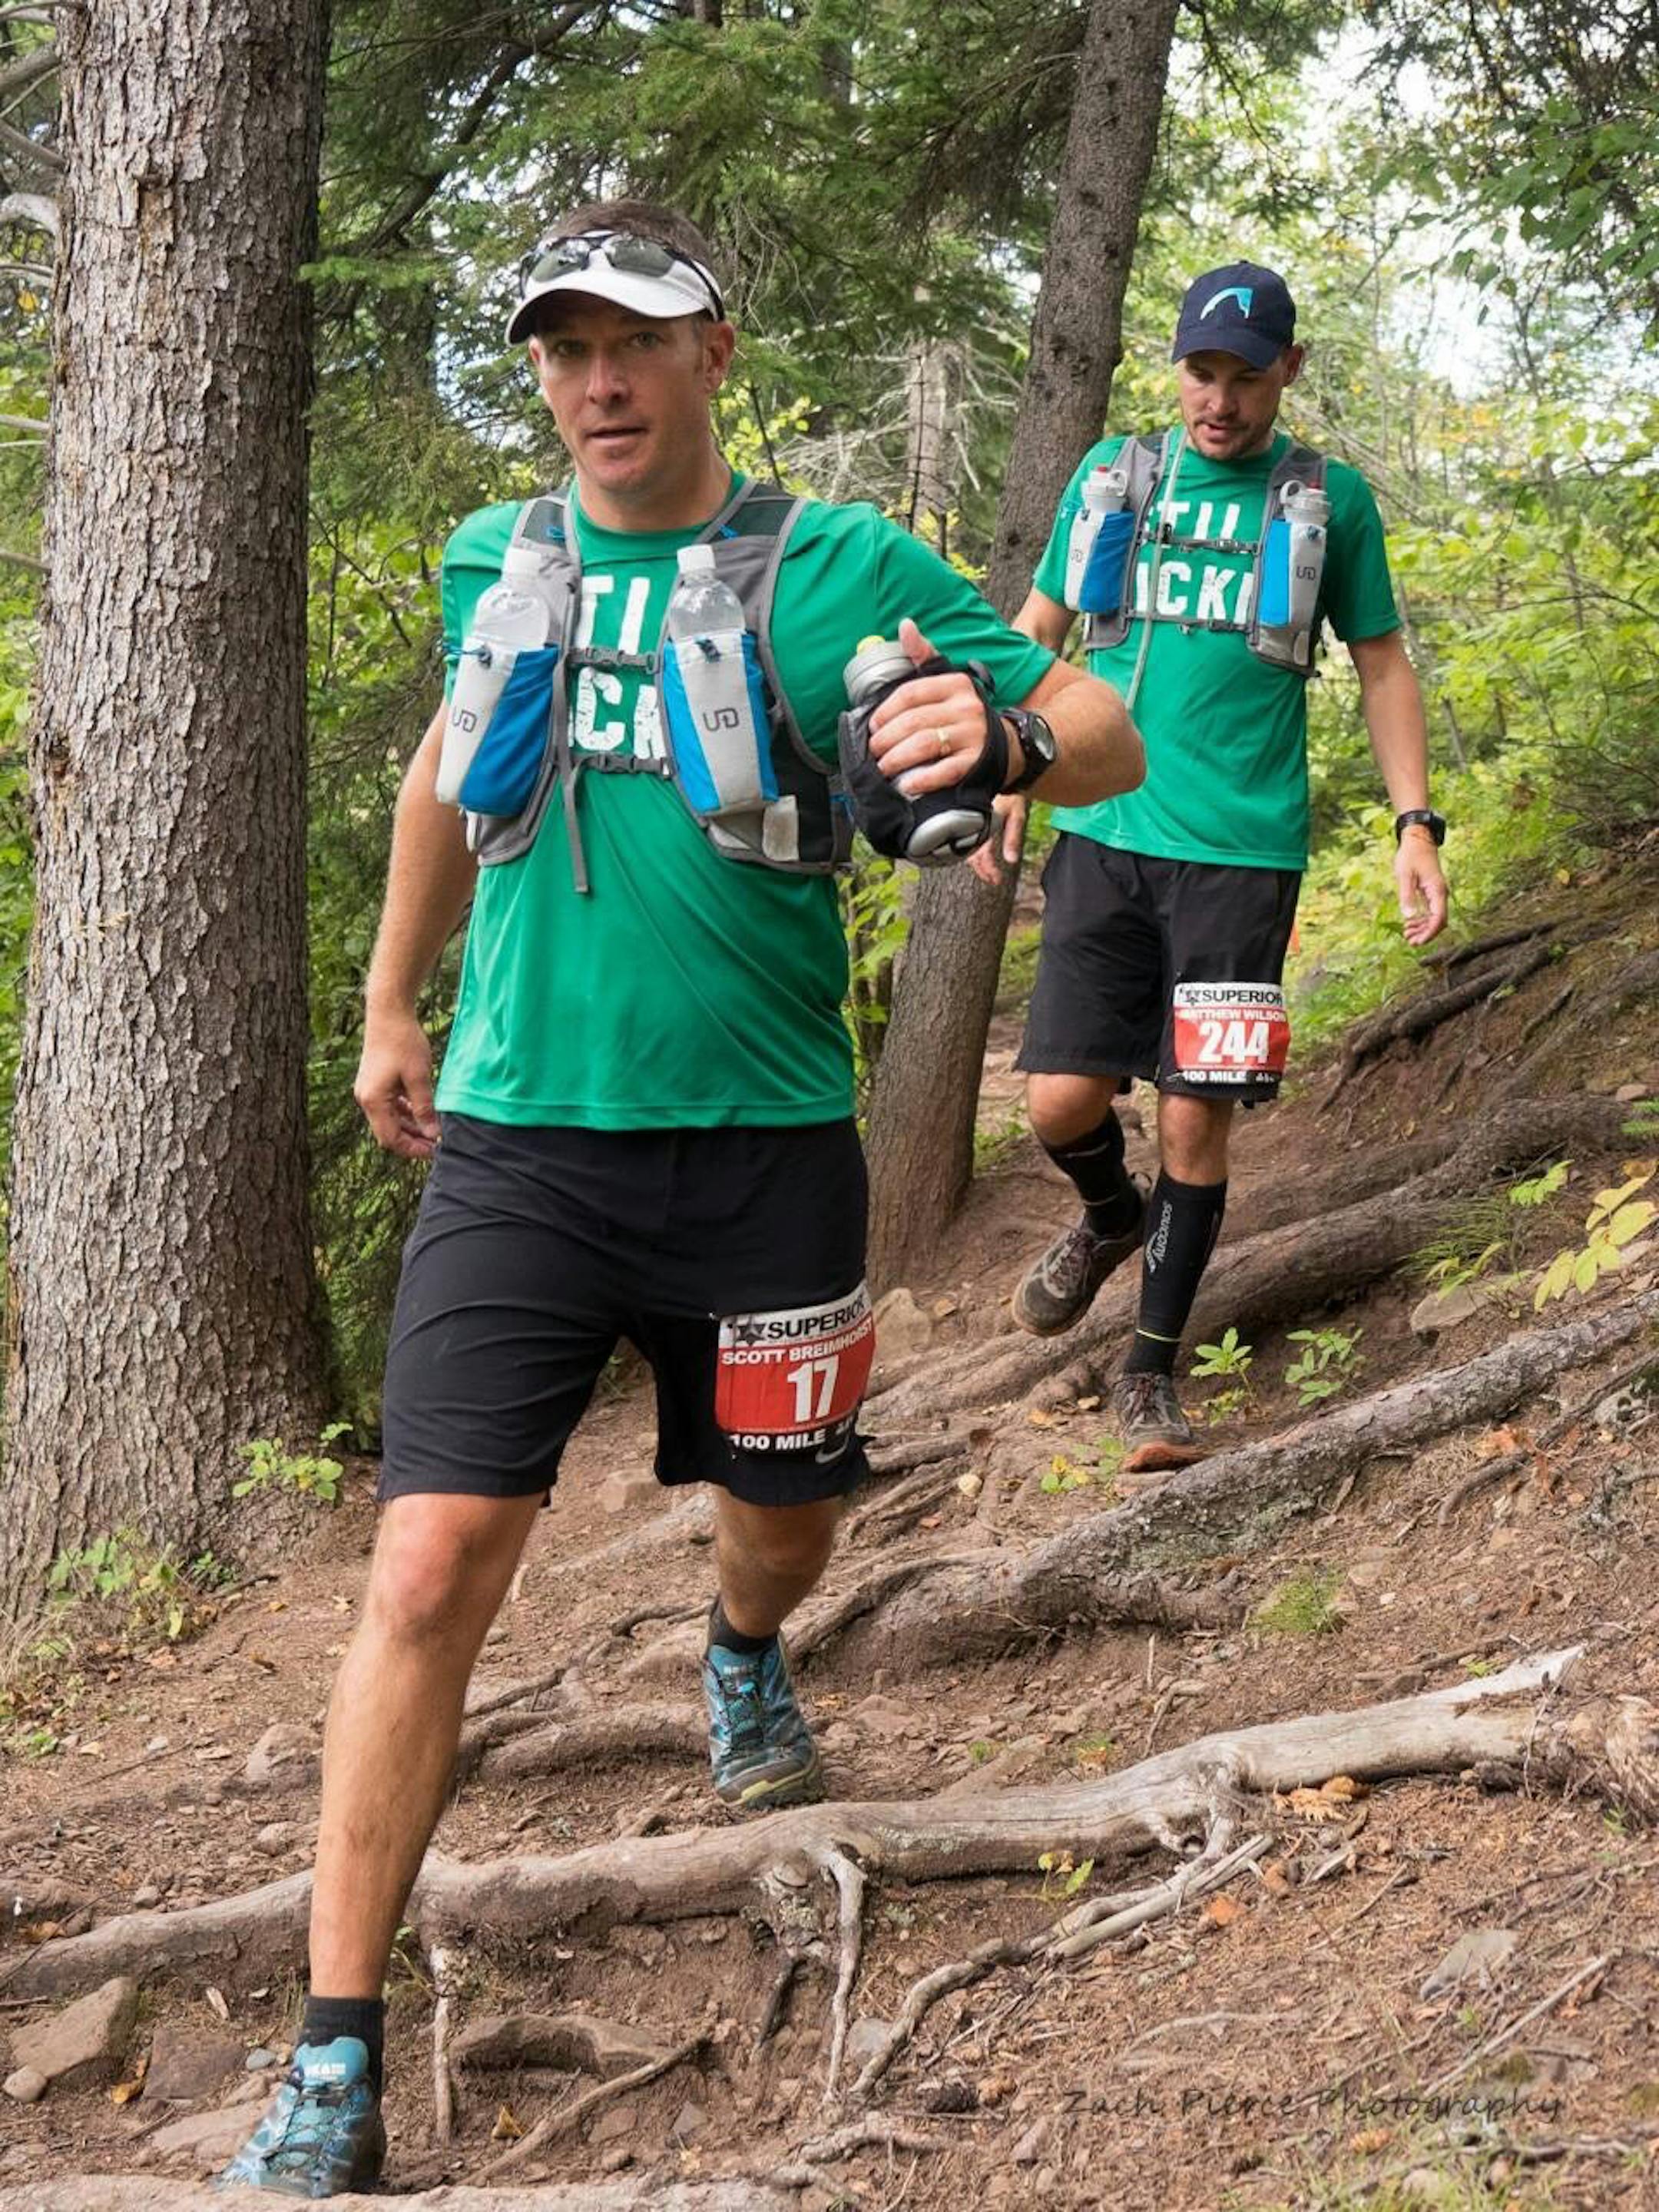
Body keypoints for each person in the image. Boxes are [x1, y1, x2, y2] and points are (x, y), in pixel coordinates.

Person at [218, 198, 1142, 2197]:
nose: (595, 381)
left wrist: (996, 729)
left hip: (769, 1154)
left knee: (783, 1529)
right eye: (562, 346)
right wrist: (392, 999)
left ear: (712, 347)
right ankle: (333, 2054)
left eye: (631, 341)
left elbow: (1104, 728)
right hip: (519, 1146)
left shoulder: (841, 571)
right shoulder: (500, 556)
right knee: (425, 1566)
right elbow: (446, 773)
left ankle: (742, 1650)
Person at [975, 260, 1447, 1479]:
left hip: (1242, 858)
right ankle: (1106, 1215)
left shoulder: (1328, 504)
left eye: (1246, 376)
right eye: (1202, 372)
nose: (1220, 401)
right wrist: (1005, 774)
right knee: (1060, 1104)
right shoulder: (1115, 479)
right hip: (1105, 833)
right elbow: (1036, 636)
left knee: (1196, 1116)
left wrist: (1415, 823)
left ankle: (1149, 1375)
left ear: (1288, 371)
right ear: (1173, 367)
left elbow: (1384, 665)